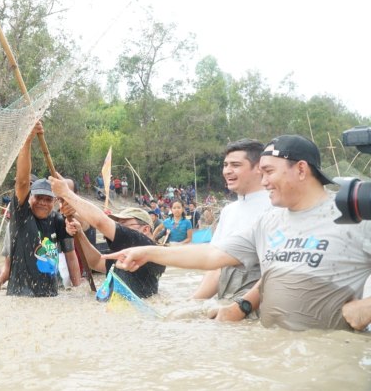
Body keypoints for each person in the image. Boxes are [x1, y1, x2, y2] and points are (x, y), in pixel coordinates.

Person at [103, 135, 371, 331]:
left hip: (331, 356)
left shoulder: (354, 215)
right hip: (271, 351)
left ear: (301, 169)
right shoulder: (269, 222)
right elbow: (212, 256)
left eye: (268, 172)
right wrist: (148, 252)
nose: (263, 181)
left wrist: (366, 308)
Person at [0, 122, 81, 296]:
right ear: (30, 198)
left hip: (51, 295)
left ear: (54, 201)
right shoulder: (22, 215)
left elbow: (70, 255)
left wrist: (78, 289)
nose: (43, 202)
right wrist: (28, 140)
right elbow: (21, 182)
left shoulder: (58, 220)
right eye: (39, 198)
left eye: (48, 199)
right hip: (21, 295)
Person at [192, 139, 271, 320]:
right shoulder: (228, 211)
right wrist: (194, 302)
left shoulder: (275, 207)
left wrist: (240, 308)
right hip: (227, 300)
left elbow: (276, 272)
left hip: (256, 307)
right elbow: (215, 267)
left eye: (235, 165)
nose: (227, 171)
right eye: (225, 165)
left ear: (259, 167)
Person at [49, 176, 166, 298]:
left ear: (145, 229)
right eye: (118, 224)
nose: (119, 228)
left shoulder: (149, 248)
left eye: (124, 225)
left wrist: (67, 193)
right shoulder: (124, 256)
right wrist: (79, 232)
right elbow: (95, 262)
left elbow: (101, 223)